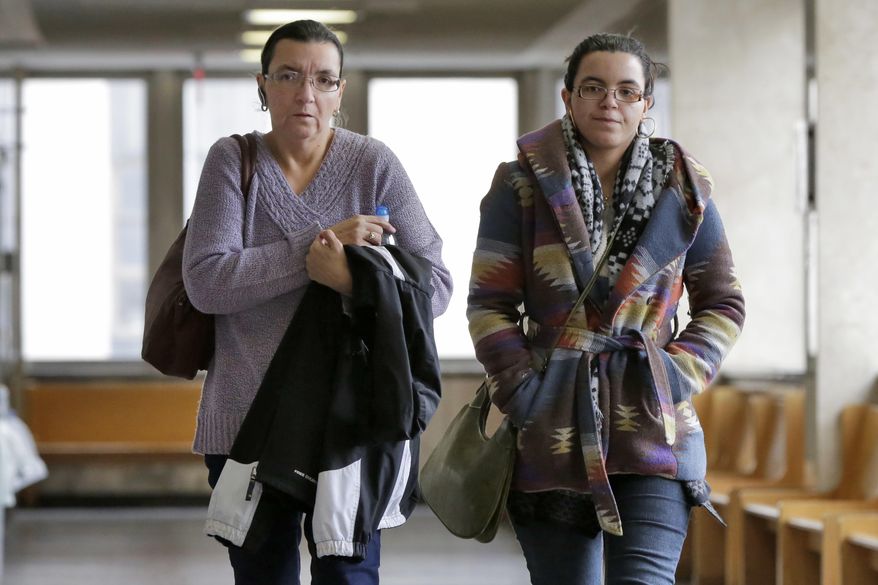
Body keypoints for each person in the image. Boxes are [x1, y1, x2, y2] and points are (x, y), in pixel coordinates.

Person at [467, 33, 745, 584]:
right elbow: (489, 302)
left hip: (653, 427)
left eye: (626, 90)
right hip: (552, 427)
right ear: (568, 97)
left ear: (646, 104)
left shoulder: (684, 190)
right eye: (593, 87)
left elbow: (723, 301)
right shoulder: (521, 183)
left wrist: (674, 372)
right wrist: (523, 390)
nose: (609, 102)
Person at [182, 19, 452, 585]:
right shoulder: (233, 162)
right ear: (263, 86)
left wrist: (354, 283)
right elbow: (206, 281)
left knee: (350, 579)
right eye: (289, 76)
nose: (306, 94)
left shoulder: (374, 163)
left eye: (323, 79)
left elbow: (437, 287)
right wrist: (315, 249)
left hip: (350, 422)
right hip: (248, 421)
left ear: (339, 91)